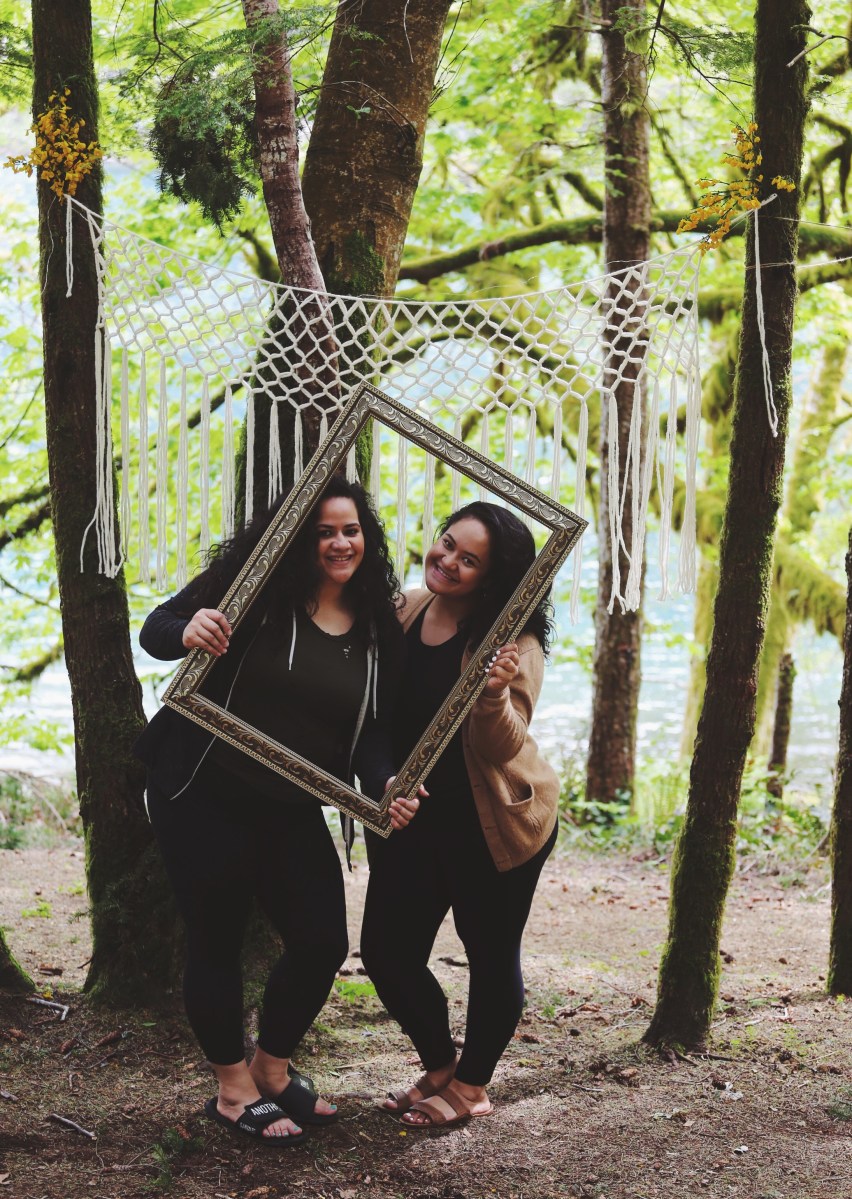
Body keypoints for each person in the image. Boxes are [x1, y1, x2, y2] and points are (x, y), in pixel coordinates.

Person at [135, 475, 414, 1145]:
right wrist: (189, 628)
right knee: (217, 935)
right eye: (324, 531)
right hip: (200, 788)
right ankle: (232, 1089)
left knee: (321, 940)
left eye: (351, 529)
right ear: (299, 537)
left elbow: (373, 731)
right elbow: (156, 630)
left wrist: (384, 781)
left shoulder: (378, 623)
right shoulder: (254, 585)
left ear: (366, 538)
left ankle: (272, 1066)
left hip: (289, 802)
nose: (339, 542)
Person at [360, 500, 560, 1128]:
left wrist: (494, 693)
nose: (447, 560)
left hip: (492, 823)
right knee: (386, 953)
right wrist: (383, 780)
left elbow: (504, 748)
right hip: (411, 816)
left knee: (490, 953)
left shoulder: (514, 646)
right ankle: (442, 1064)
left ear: (492, 579)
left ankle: (472, 1086)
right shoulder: (407, 608)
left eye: (468, 559)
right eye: (447, 544)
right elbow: (375, 713)